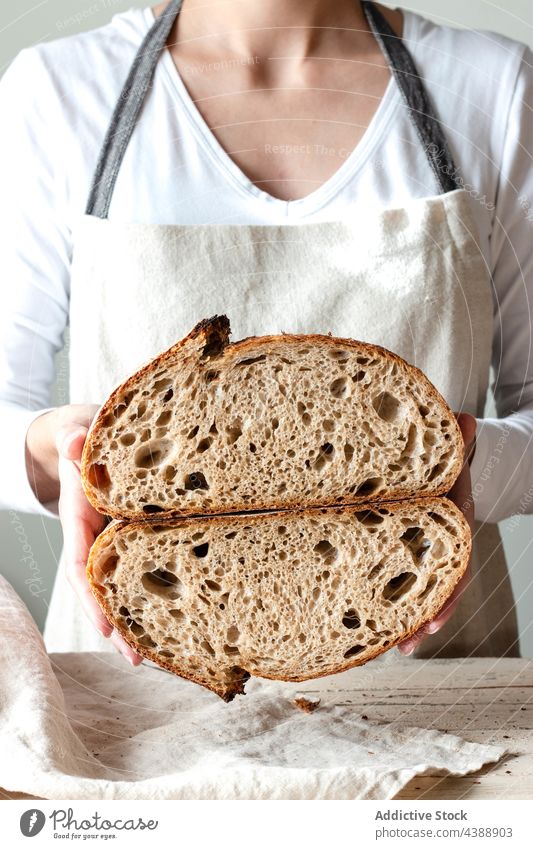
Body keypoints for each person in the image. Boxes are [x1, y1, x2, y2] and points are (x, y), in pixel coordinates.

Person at [0, 0, 530, 666]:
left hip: (442, 707)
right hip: (132, 717)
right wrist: (65, 449)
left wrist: (463, 462)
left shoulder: (491, 88)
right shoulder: (60, 91)